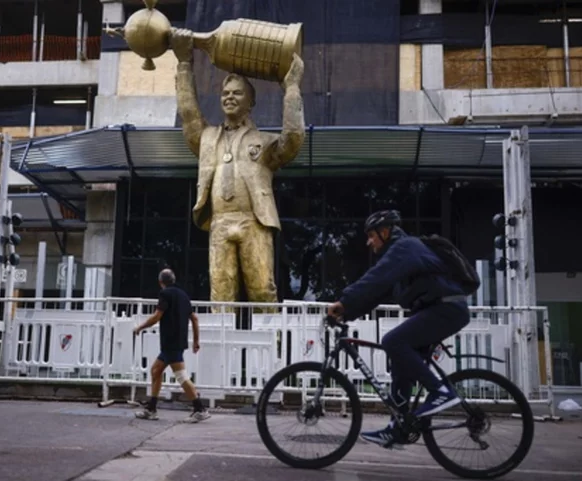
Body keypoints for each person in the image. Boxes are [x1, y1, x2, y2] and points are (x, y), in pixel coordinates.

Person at [170, 28, 305, 308]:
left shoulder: (264, 142)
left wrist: (291, 89)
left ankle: (271, 350)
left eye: (237, 94)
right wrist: (184, 64)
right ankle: (223, 351)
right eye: (225, 93)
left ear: (251, 102)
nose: (229, 97)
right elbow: (188, 114)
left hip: (253, 221)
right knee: (221, 296)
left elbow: (292, 140)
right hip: (219, 222)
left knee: (262, 293)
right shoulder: (207, 138)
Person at [327, 210, 471, 448]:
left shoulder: (404, 248)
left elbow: (376, 278)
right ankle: (399, 427)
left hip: (446, 309)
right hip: (438, 310)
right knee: (400, 362)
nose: (368, 241)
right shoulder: (400, 259)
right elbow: (377, 294)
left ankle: (441, 392)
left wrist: (344, 301)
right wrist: (347, 313)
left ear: (385, 232)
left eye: (372, 235)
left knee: (393, 341)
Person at [133, 268, 211, 423]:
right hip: (177, 341)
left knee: (181, 376)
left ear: (160, 282)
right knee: (156, 371)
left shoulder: (165, 294)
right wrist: (196, 341)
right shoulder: (183, 295)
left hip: (170, 341)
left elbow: (157, 316)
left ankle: (200, 409)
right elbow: (194, 319)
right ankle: (151, 408)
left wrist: (140, 327)